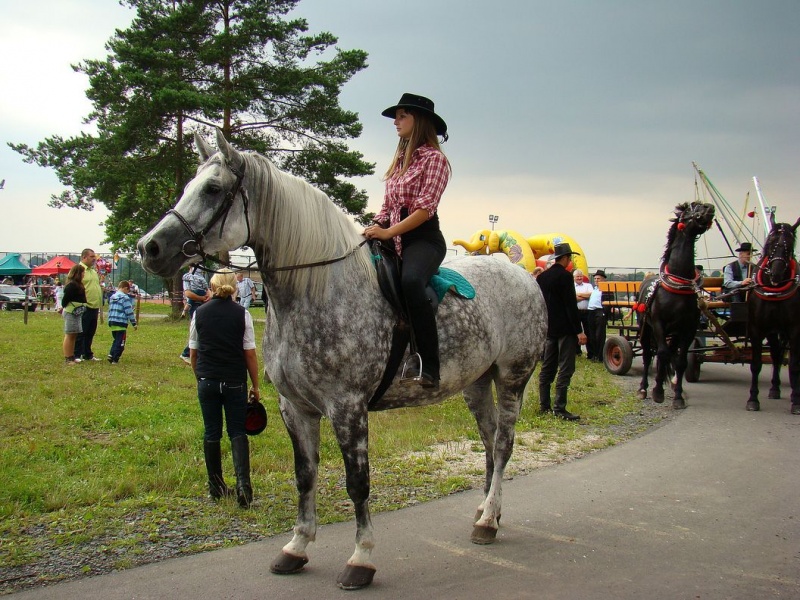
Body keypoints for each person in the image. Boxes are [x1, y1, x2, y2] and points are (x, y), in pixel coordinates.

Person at [363, 92, 451, 389]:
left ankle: (429, 364)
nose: (396, 122)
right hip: (396, 237)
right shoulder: (399, 161)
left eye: (403, 116)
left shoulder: (435, 160)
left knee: (411, 281)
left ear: (420, 120)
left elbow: (425, 210)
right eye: (396, 117)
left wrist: (389, 232)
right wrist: (375, 225)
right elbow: (387, 207)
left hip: (423, 240)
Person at [189, 269, 259, 508]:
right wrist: (255, 385)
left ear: (211, 286)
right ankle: (243, 486)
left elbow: (194, 352)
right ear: (234, 287)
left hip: (207, 379)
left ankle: (216, 486)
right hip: (234, 380)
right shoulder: (242, 314)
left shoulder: (199, 313)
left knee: (212, 432)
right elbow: (249, 353)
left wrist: (199, 377)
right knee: (237, 431)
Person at [537, 243, 584, 420]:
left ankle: (544, 405)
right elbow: (570, 305)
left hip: (549, 328)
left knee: (547, 367)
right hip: (565, 329)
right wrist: (579, 331)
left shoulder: (542, 277)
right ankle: (560, 407)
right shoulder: (565, 276)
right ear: (564, 258)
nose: (570, 261)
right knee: (565, 367)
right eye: (569, 258)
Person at [74, 248, 102, 361]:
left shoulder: (93, 271)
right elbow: (74, 286)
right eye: (91, 256)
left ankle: (87, 354)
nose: (94, 259)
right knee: (81, 331)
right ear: (84, 257)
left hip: (94, 306)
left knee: (90, 332)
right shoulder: (79, 270)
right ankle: (77, 354)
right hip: (84, 306)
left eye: (94, 256)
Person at [180, 267, 210, 364]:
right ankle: (186, 354)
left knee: (202, 331)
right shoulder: (187, 277)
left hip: (203, 305)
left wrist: (208, 296)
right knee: (197, 330)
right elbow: (188, 294)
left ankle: (198, 354)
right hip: (195, 306)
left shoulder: (202, 278)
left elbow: (208, 291)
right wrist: (202, 298)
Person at [106, 280, 137, 364]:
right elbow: (129, 311)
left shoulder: (112, 297)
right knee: (121, 342)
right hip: (121, 322)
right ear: (125, 288)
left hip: (112, 321)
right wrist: (134, 323)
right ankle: (115, 358)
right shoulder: (125, 298)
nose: (127, 293)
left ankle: (111, 354)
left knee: (116, 339)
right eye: (128, 291)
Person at [61, 265, 87, 365]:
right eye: (83, 272)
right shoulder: (71, 285)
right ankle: (68, 358)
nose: (84, 274)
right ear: (77, 273)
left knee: (74, 334)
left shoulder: (79, 285)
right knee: (70, 334)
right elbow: (65, 300)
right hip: (71, 312)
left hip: (78, 312)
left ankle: (72, 356)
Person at [587, 270, 608, 363]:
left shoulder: (606, 289)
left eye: (598, 278)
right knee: (591, 334)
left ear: (603, 279)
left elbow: (608, 302)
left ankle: (600, 356)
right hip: (591, 311)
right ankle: (594, 354)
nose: (596, 280)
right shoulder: (595, 289)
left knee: (599, 334)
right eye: (595, 278)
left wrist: (604, 312)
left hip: (600, 311)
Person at [573, 269, 594, 358]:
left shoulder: (588, 285)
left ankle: (590, 353)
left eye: (580, 276)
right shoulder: (571, 286)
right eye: (577, 276)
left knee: (588, 332)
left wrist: (578, 295)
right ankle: (577, 352)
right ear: (574, 277)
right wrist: (585, 296)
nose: (579, 278)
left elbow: (591, 295)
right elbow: (572, 298)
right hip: (576, 312)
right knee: (576, 332)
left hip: (586, 312)